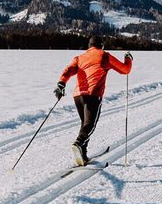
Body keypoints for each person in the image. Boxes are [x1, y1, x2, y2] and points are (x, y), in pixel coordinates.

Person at [54, 35, 132, 166]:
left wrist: (61, 83)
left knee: (85, 124)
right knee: (90, 125)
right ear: (101, 45)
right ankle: (78, 143)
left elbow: (68, 70)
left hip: (78, 96)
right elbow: (125, 70)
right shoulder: (104, 55)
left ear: (89, 46)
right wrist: (128, 59)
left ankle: (82, 154)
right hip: (93, 94)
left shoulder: (79, 58)